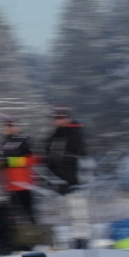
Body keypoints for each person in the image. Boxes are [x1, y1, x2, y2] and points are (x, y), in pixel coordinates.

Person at [44, 106, 90, 249]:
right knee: (65, 214)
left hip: (74, 181)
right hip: (59, 181)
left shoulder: (74, 133)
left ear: (68, 118)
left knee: (79, 213)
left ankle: (82, 241)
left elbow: (79, 157)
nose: (59, 120)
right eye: (56, 118)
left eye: (62, 117)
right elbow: (50, 158)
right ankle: (64, 241)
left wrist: (80, 180)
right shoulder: (54, 135)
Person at [0, 116, 37, 224]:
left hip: (22, 184)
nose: (8, 128)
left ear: (17, 126)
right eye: (6, 125)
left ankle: (34, 231)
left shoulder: (24, 140)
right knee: (13, 216)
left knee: (27, 213)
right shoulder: (3, 143)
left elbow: (31, 160)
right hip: (9, 184)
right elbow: (0, 163)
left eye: (10, 125)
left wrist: (8, 162)